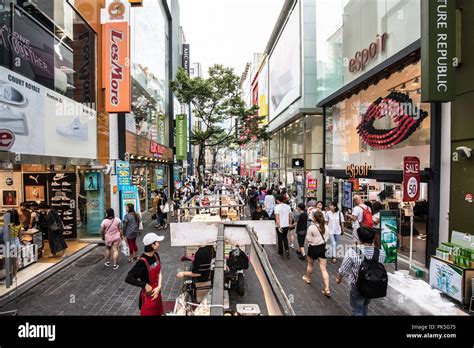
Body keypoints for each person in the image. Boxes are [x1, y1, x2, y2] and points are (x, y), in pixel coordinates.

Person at [336, 227, 386, 316]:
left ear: (359, 238)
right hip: (373, 284)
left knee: (357, 309)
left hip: (357, 285)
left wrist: (339, 278)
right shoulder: (381, 253)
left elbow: (344, 269)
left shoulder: (353, 252)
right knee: (365, 305)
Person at [125, 233, 164, 316]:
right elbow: (128, 278)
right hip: (149, 296)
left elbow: (159, 272)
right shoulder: (142, 262)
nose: (159, 244)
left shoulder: (156, 255)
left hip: (157, 291)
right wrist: (145, 285)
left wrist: (159, 287)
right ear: (152, 245)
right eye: (157, 242)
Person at [302, 211, 331, 298]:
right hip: (323, 248)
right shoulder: (326, 227)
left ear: (314, 218)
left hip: (313, 248)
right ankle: (327, 289)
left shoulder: (312, 227)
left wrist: (314, 241)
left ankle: (308, 278)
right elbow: (327, 238)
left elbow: (308, 239)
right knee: (323, 269)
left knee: (310, 265)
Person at [274, 194, 292, 259]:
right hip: (286, 225)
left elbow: (277, 217)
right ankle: (287, 250)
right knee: (285, 238)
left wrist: (279, 226)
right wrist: (290, 223)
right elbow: (290, 216)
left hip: (280, 225)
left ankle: (281, 252)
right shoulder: (288, 206)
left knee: (280, 238)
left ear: (278, 200)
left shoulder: (277, 207)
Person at [8, 210, 22, 275]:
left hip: (8, 242)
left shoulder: (6, 224)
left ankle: (8, 275)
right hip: (16, 242)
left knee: (8, 259)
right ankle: (14, 275)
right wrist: (21, 242)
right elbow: (20, 235)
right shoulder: (19, 224)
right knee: (15, 259)